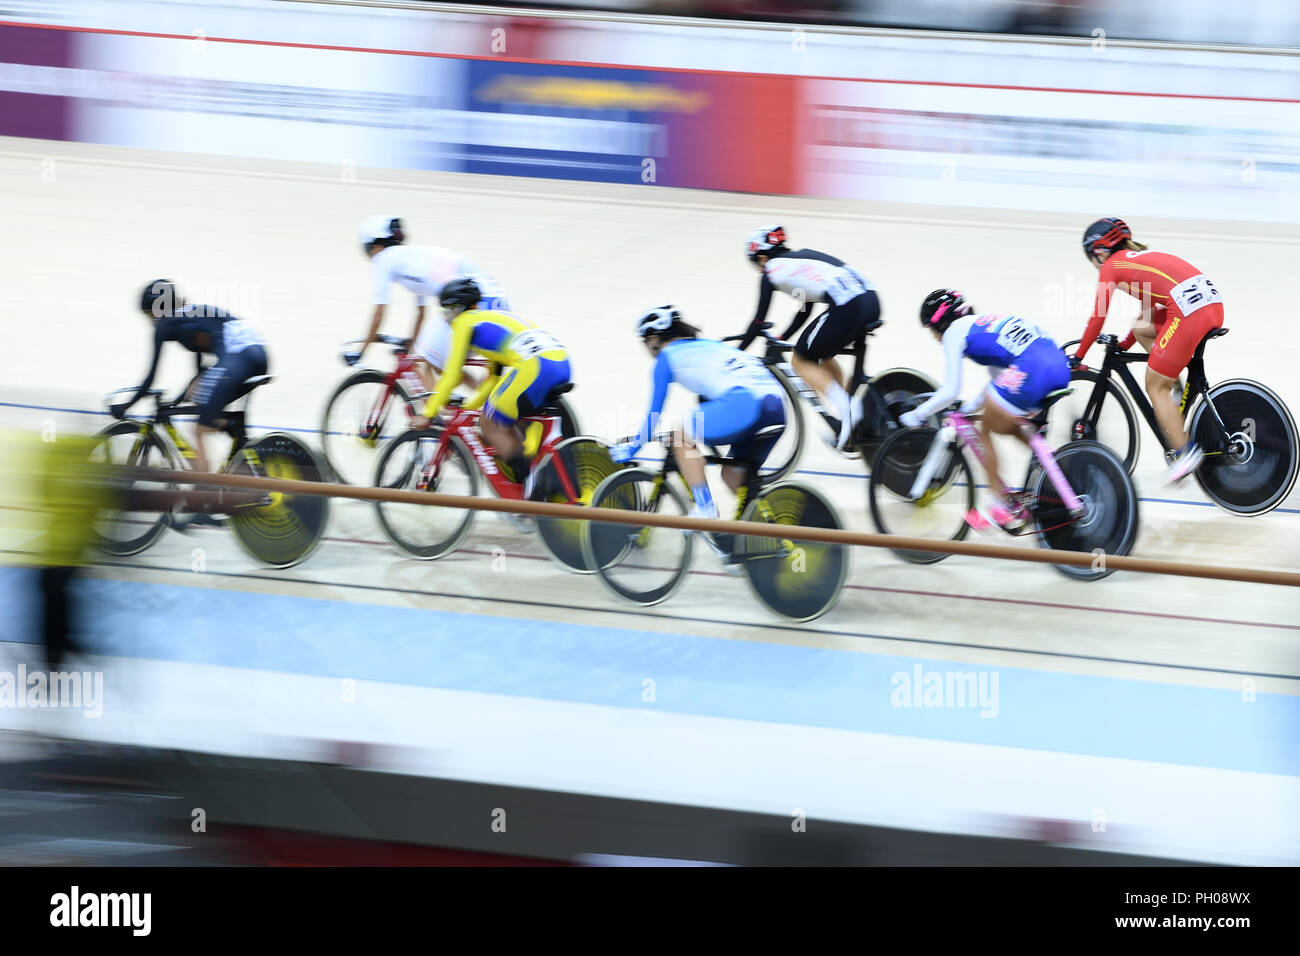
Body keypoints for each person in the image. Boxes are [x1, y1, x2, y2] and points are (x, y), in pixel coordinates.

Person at [900, 290, 1071, 533]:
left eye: (931, 330)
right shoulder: (984, 323)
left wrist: (917, 415)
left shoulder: (953, 332)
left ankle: (998, 505)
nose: (935, 338)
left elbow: (950, 390)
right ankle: (1053, 462)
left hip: (1032, 370)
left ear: (941, 322)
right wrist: (972, 407)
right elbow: (999, 379)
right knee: (1005, 421)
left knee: (987, 428)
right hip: (1057, 366)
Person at [612, 306, 787, 538]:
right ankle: (772, 537)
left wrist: (633, 446)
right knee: (732, 474)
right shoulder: (708, 346)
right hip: (776, 407)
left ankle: (705, 508)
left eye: (645, 341)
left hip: (746, 404)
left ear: (653, 339)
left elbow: (654, 413)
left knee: (679, 433)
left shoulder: (666, 358)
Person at [1073, 217, 1223, 483]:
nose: (1095, 266)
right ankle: (1176, 390)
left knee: (1154, 386)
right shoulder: (1137, 259)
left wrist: (1078, 356)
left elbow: (1097, 318)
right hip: (1210, 305)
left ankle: (1186, 453)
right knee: (1143, 327)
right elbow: (1148, 315)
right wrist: (1124, 345)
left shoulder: (1111, 266)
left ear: (1099, 251)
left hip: (1190, 312)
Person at [409, 277, 571, 518]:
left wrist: (428, 412)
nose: (446, 317)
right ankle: (535, 470)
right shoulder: (490, 319)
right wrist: (468, 407)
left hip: (535, 367)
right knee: (497, 414)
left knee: (489, 423)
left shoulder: (465, 323)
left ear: (460, 308)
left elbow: (452, 375)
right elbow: (493, 381)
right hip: (559, 363)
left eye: (448, 310)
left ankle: (531, 486)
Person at [736, 224, 879, 448]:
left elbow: (758, 321)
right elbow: (805, 308)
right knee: (821, 351)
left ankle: (848, 408)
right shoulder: (798, 260)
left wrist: (737, 351)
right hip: (870, 300)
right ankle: (848, 413)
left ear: (762, 258)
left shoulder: (771, 272)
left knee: (800, 358)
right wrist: (784, 336)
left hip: (848, 306)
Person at [111, 280, 268, 476]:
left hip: (238, 359)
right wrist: (181, 396)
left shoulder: (166, 322)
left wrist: (125, 406)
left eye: (146, 313)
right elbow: (200, 370)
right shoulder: (189, 315)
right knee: (197, 398)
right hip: (253, 356)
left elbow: (151, 377)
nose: (148, 320)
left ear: (157, 309)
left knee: (199, 428)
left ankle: (205, 485)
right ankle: (228, 428)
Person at [352, 215, 507, 394]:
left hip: (474, 301)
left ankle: (432, 419)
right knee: (440, 363)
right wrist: (411, 344)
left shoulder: (384, 259)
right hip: (493, 299)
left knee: (427, 361)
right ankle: (480, 406)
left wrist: (361, 351)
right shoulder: (410, 260)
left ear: (375, 246)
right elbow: (421, 314)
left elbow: (379, 313)